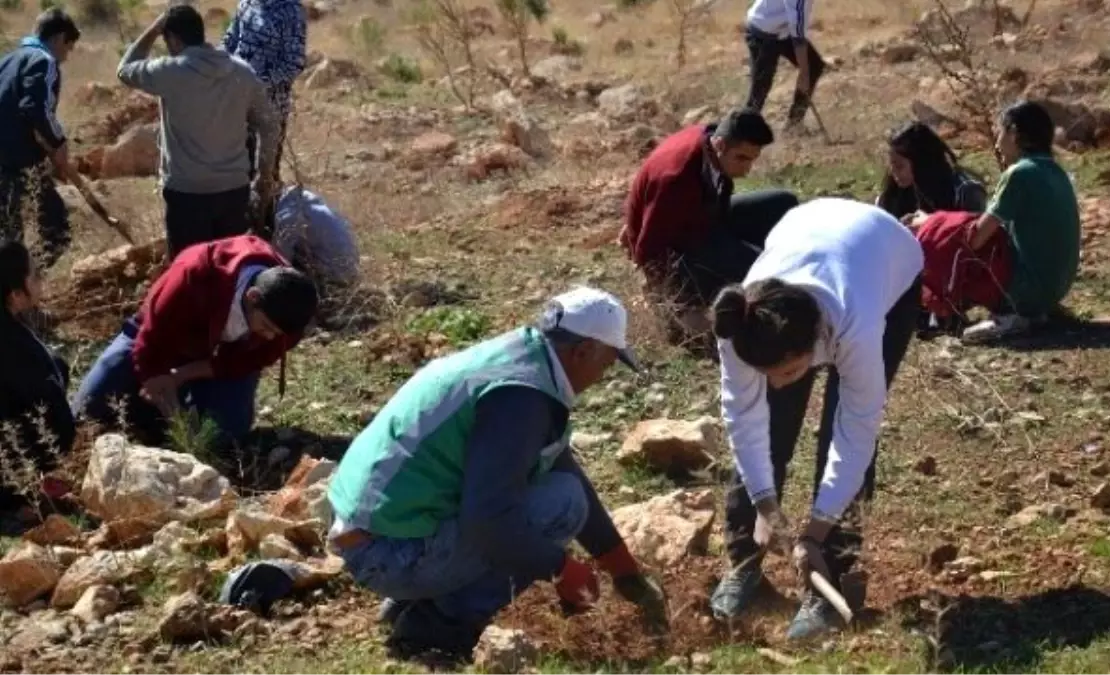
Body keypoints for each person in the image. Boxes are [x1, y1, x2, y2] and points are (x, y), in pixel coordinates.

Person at [327, 287, 669, 661]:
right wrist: (562, 569)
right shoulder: (521, 399)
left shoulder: (521, 360)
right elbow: (489, 520)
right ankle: (438, 623)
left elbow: (558, 462)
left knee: (558, 489)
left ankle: (416, 599)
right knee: (561, 504)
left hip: (372, 532)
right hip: (385, 553)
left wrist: (623, 570)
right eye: (607, 363)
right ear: (583, 350)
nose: (604, 374)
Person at [707, 198, 923, 641]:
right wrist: (765, 503)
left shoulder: (854, 323)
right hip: (810, 228)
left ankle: (831, 582)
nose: (781, 384)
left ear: (817, 343)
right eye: (772, 375)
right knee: (771, 424)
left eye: (789, 371)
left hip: (886, 261)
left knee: (836, 432)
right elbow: (745, 421)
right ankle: (744, 562)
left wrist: (814, 531)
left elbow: (855, 433)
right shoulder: (741, 325)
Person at [72, 234, 318, 449]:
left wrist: (181, 376)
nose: (269, 337)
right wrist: (156, 382)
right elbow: (150, 340)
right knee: (88, 411)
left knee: (222, 436)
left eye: (276, 334)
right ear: (252, 297)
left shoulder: (289, 316)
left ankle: (169, 417)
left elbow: (243, 362)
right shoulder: (195, 272)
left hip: (220, 356)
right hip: (166, 337)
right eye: (265, 327)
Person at [116, 6, 281, 260]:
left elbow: (125, 69)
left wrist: (153, 30)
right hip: (233, 191)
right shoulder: (241, 72)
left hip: (186, 195)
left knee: (189, 276)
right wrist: (264, 174)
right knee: (230, 272)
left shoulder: (169, 71)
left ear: (173, 39)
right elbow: (269, 124)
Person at [621, 108, 797, 340]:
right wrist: (669, 303)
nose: (747, 168)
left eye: (752, 159)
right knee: (760, 268)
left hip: (704, 216)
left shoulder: (708, 137)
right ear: (721, 145)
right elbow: (648, 248)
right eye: (741, 158)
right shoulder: (676, 178)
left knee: (783, 204)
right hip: (682, 247)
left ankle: (788, 265)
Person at [961, 100, 1080, 343]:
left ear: (1013, 134)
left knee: (957, 244)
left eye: (1000, 133)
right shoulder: (1055, 170)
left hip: (1029, 292)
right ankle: (1032, 311)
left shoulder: (1019, 173)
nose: (997, 143)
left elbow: (975, 239)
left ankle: (1009, 314)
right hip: (1056, 288)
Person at [0, 9, 80, 269]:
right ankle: (32, 286)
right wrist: (59, 143)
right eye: (68, 48)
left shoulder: (7, 60)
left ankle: (19, 290)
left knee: (9, 235)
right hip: (16, 160)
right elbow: (35, 107)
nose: (66, 57)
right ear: (58, 39)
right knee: (56, 229)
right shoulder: (43, 60)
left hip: (9, 160)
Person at [0, 239, 75, 510]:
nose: (40, 280)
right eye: (34, 275)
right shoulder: (14, 345)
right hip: (8, 462)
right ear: (15, 294)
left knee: (57, 365)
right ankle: (18, 493)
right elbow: (56, 417)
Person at [222, 0, 307, 185]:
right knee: (234, 175)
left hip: (268, 111)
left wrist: (255, 84)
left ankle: (266, 213)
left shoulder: (290, 10)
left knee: (264, 180)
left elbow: (293, 64)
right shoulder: (246, 4)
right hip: (236, 105)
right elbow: (229, 43)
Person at [875, 121, 987, 222]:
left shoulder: (966, 191)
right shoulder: (897, 193)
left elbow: (974, 235)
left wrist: (929, 223)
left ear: (921, 162)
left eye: (900, 166)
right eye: (891, 165)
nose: (893, 172)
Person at [743, 0, 826, 131]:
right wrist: (804, 73)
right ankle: (742, 133)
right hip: (762, 30)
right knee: (760, 87)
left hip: (783, 29)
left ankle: (794, 126)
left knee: (813, 65)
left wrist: (806, 71)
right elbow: (798, 36)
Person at [271, 185, 360, 290]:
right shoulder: (303, 197)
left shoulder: (288, 213)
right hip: (350, 269)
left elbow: (280, 261)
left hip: (335, 277)